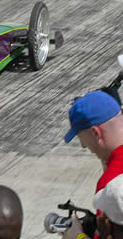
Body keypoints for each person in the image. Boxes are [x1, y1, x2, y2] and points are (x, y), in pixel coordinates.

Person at [62, 90, 123, 239]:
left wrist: (77, 236)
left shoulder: (111, 186)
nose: (83, 145)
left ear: (96, 133)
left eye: (81, 137)